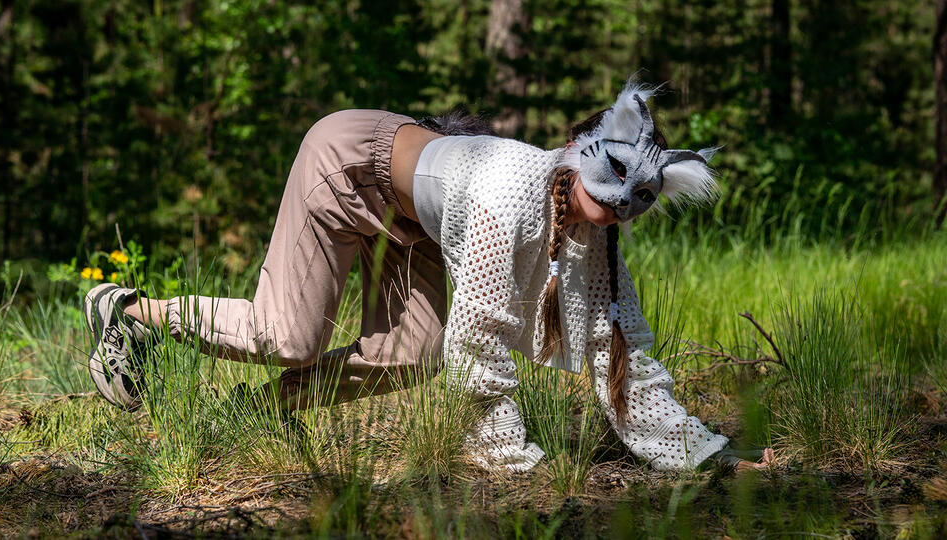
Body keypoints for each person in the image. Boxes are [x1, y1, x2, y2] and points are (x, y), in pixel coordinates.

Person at [83, 81, 773, 473]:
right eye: (613, 182)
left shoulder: (590, 226)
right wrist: (508, 457)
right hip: (350, 164)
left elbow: (616, 342)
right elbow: (477, 341)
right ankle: (131, 311)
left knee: (409, 355)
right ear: (577, 153)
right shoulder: (508, 198)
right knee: (286, 334)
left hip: (414, 217)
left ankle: (251, 418)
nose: (621, 205)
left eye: (639, 199)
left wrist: (700, 453)